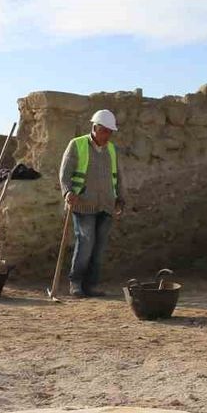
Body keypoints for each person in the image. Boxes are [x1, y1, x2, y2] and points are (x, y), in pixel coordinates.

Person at [58, 109, 126, 298]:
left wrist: (121, 198)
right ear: (95, 128)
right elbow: (64, 173)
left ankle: (92, 285)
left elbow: (119, 176)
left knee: (99, 248)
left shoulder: (112, 150)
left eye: (110, 132)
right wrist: (67, 192)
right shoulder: (77, 144)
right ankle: (76, 283)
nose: (107, 136)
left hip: (106, 204)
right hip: (82, 204)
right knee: (86, 243)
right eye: (104, 131)